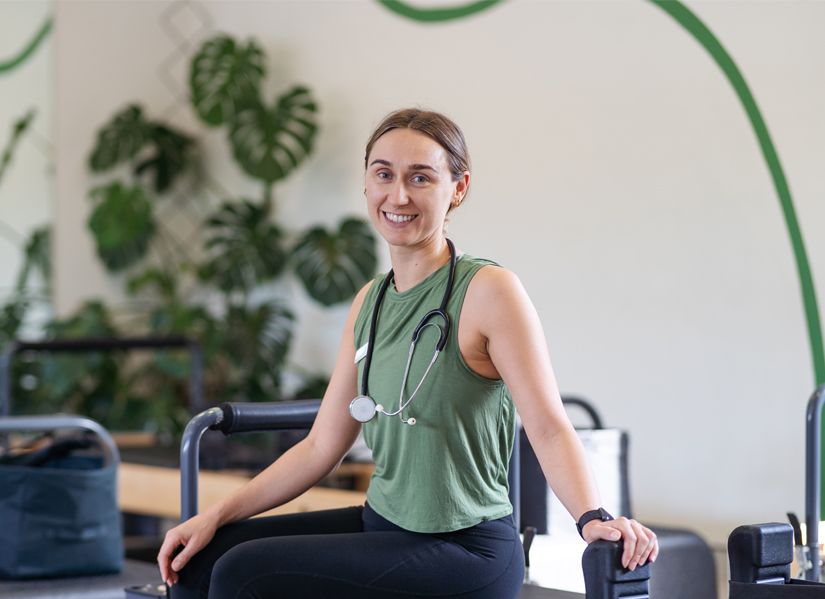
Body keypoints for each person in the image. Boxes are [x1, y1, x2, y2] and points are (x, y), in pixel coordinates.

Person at [157, 108, 659, 598]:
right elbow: (319, 447)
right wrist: (216, 514)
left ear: (458, 189)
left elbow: (549, 427)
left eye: (421, 178)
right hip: (383, 526)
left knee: (245, 573)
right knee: (201, 558)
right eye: (384, 175)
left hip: (466, 550)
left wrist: (593, 518)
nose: (398, 195)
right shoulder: (370, 302)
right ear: (367, 184)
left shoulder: (489, 291)